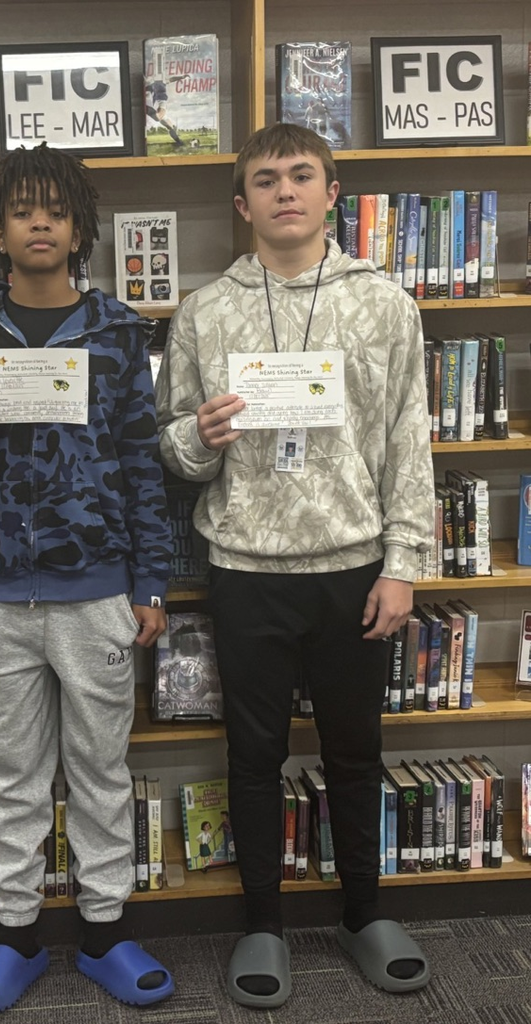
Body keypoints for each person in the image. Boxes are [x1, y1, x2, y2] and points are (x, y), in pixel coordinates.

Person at [155, 122, 435, 1009]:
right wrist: (198, 440)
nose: (284, 191)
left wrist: (403, 562)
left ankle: (362, 912)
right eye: (265, 179)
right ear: (241, 205)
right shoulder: (204, 311)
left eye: (301, 175)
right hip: (244, 568)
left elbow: (405, 441)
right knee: (253, 755)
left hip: (354, 566)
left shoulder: (385, 302)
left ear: (329, 194)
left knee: (356, 752)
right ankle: (263, 923)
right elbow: (168, 446)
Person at [0, 142, 175, 1015]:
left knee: (102, 769)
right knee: (12, 771)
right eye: (22, 209)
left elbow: (142, 466)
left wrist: (149, 584)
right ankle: (16, 933)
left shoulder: (115, 330)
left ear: (78, 228)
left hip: (96, 594)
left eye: (54, 210)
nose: (39, 222)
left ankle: (103, 930)